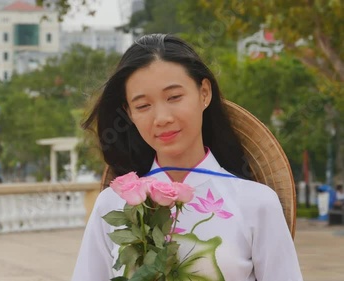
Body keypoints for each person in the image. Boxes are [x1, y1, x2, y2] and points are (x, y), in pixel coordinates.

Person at [71, 34, 302, 280]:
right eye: (142, 106)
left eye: (174, 97)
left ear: (204, 93)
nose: (162, 118)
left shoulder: (257, 203)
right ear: (129, 113)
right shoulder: (112, 205)